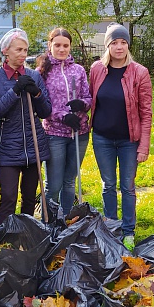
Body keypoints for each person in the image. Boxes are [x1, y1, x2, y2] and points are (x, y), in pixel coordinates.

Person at [89, 23, 152, 250]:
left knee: (127, 186)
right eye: (114, 42)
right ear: (107, 45)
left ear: (128, 45)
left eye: (123, 42)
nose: (119, 46)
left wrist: (143, 146)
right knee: (108, 185)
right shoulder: (97, 69)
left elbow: (146, 111)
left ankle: (128, 231)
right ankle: (111, 226)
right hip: (102, 138)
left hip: (128, 140)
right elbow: (90, 98)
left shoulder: (139, 72)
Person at [0, 28, 52, 224]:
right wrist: (15, 90)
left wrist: (37, 93)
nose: (23, 54)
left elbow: (46, 111)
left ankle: (26, 235)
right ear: (6, 51)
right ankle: (4, 238)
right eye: (18, 50)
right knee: (8, 196)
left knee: (30, 196)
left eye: (25, 50)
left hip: (33, 144)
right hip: (8, 146)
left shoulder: (34, 76)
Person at [37, 28, 91, 215]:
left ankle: (67, 220)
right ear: (50, 45)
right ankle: (50, 221)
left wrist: (82, 104)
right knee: (53, 184)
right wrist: (62, 115)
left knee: (69, 182)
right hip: (54, 134)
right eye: (57, 45)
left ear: (70, 47)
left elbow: (88, 97)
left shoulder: (78, 70)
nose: (61, 49)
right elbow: (42, 104)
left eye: (65, 45)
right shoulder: (42, 72)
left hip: (80, 132)